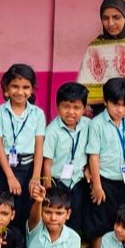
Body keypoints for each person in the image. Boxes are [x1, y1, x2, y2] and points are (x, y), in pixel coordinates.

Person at [86, 77, 125, 248]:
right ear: (105, 101)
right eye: (116, 104)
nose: (120, 110)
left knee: (123, 221)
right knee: (100, 222)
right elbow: (93, 155)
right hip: (104, 180)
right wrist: (97, 185)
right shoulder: (97, 124)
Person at [0, 64, 46, 231]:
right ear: (6, 88)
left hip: (28, 169)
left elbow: (39, 146)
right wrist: (10, 177)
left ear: (32, 90)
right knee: (2, 209)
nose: (20, 92)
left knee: (25, 211)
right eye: (15, 86)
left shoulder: (38, 114)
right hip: (5, 169)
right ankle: (1, 243)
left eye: (25, 87)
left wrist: (36, 177)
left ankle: (22, 246)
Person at [78, 0, 125, 126]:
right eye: (105, 18)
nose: (110, 23)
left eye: (116, 17)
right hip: (104, 118)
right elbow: (83, 91)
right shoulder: (95, 47)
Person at [41, 82, 91, 234]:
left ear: (84, 108)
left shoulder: (88, 125)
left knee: (75, 218)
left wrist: (88, 168)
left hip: (77, 181)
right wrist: (49, 190)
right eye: (66, 107)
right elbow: (47, 163)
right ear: (57, 107)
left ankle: (73, 245)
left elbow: (92, 151)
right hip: (58, 182)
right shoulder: (52, 131)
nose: (71, 112)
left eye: (76, 107)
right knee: (56, 219)